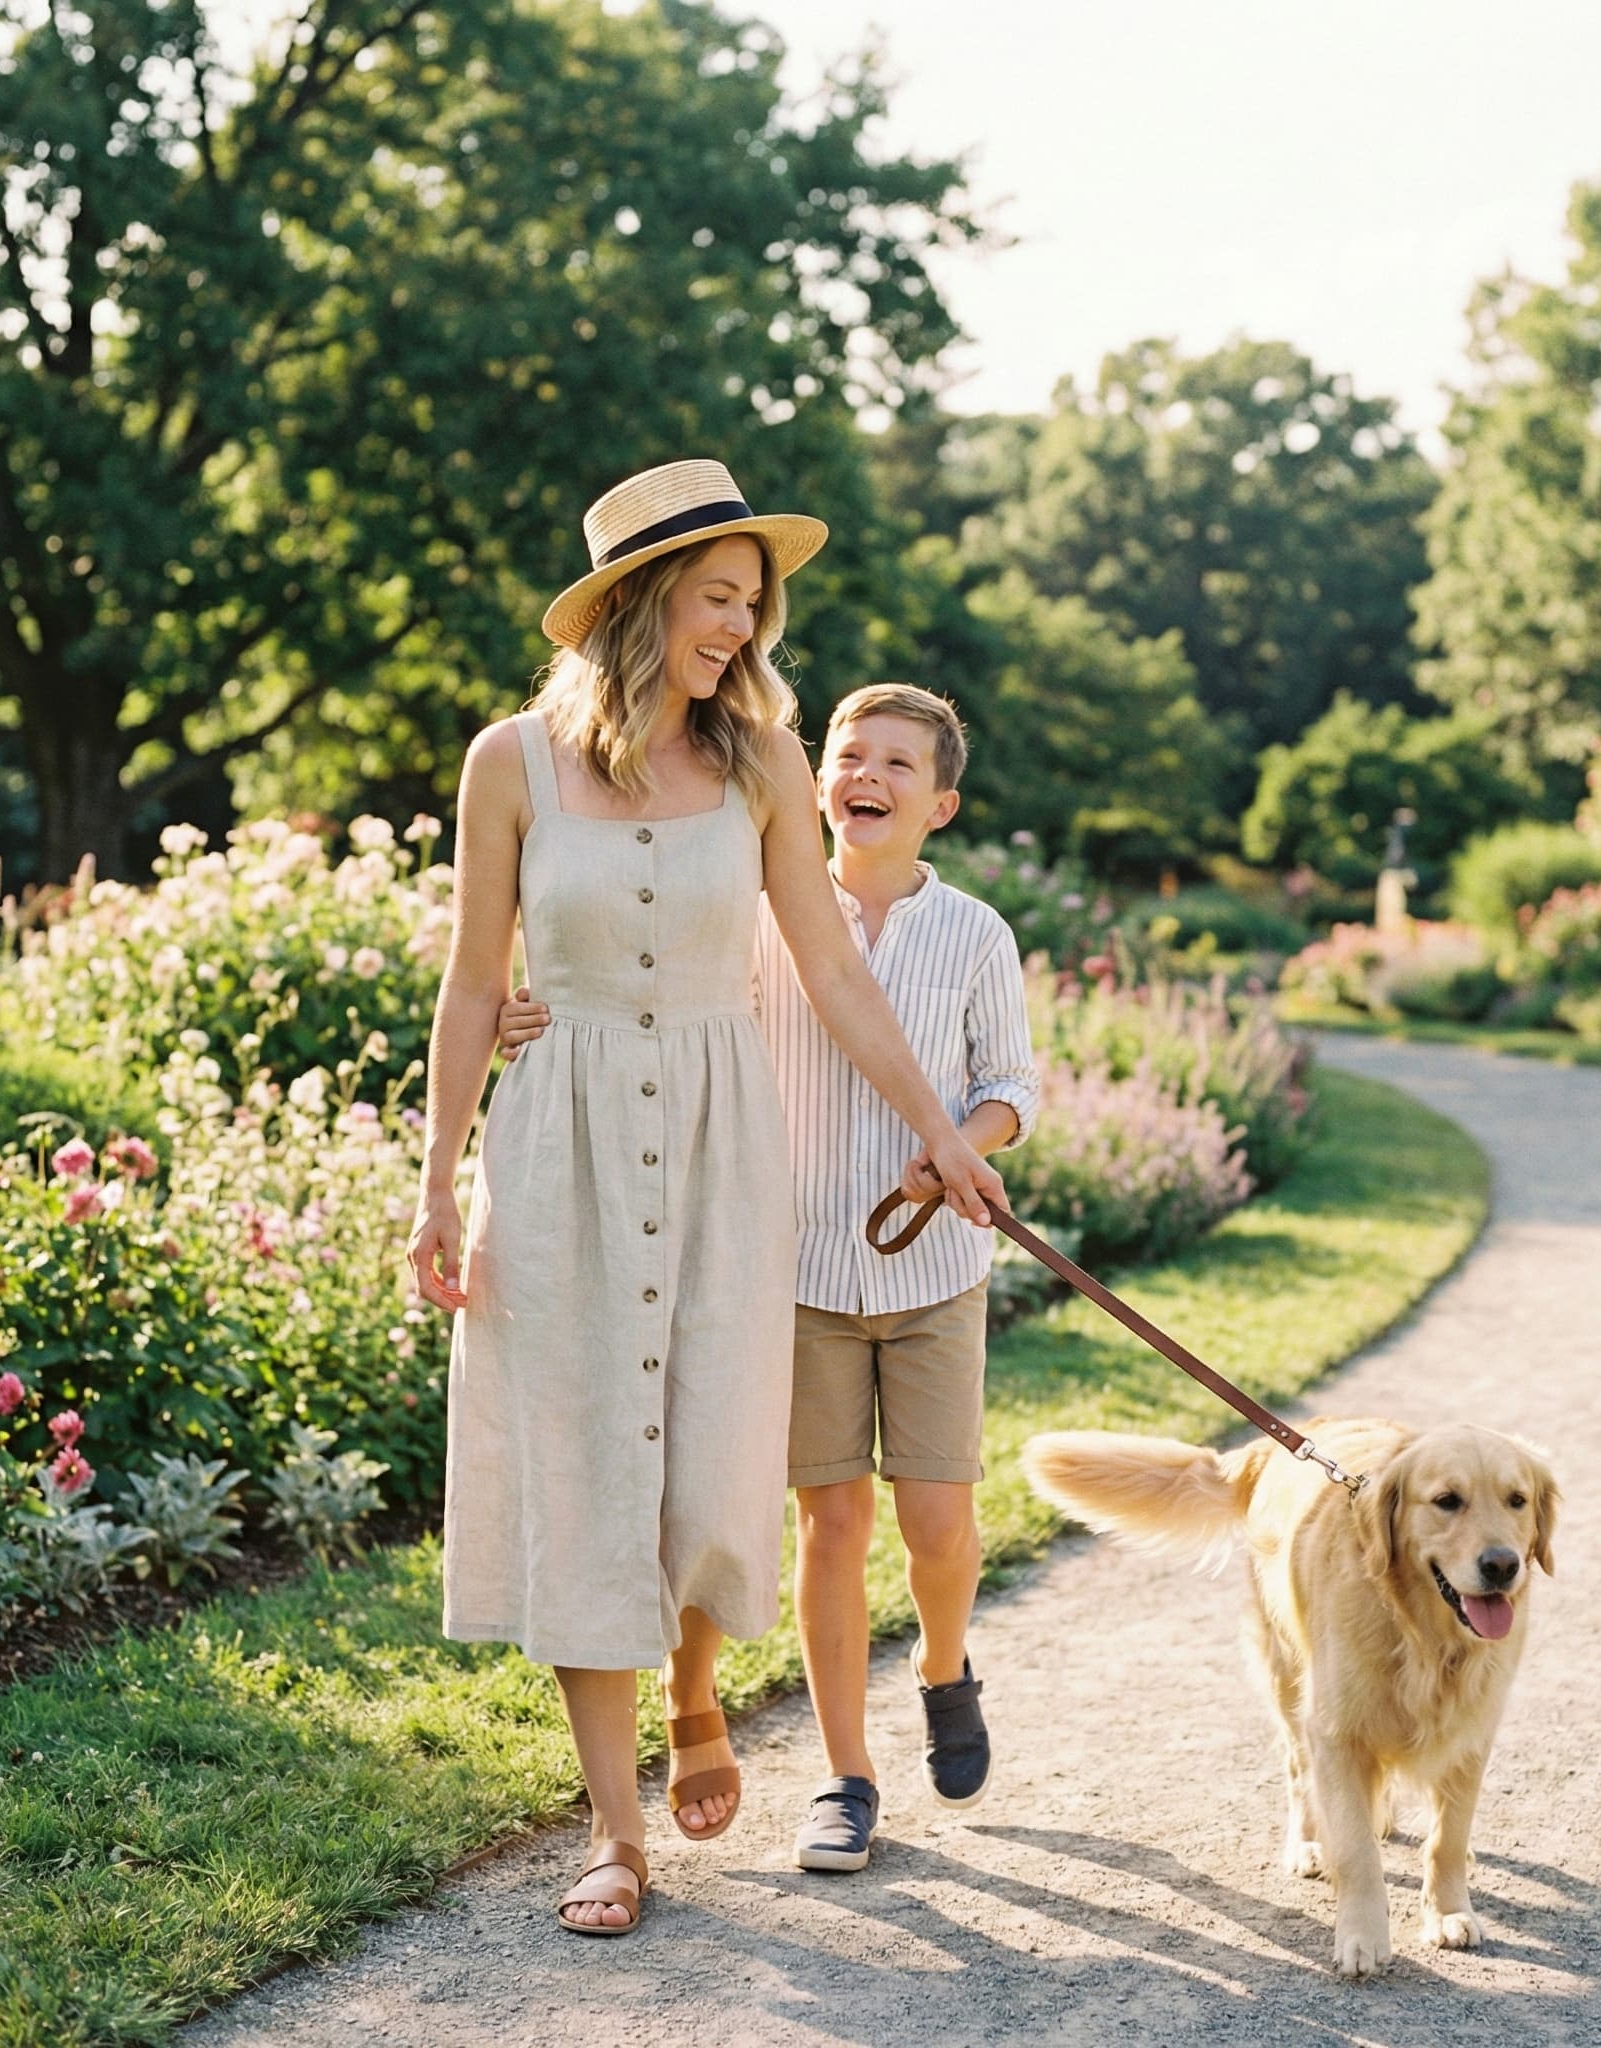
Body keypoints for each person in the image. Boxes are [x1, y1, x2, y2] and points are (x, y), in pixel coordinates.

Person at [409, 461, 1006, 1941]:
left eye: (755, 602)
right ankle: (617, 1835)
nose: (742, 628)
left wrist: (944, 1132)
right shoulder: (512, 764)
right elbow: (476, 983)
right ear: (637, 604)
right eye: (718, 598)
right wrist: (434, 1186)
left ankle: (694, 1700)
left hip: (729, 1145)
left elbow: (836, 969)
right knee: (585, 1461)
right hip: (560, 1147)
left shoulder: (759, 767)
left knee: (699, 1453)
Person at [500, 683, 1037, 1877]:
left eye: (899, 762)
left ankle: (945, 1663)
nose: (868, 774)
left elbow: (1011, 1082)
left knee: (938, 1519)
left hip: (932, 1263)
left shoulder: (975, 935)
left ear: (938, 802)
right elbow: (666, 1011)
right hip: (790, 1261)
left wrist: (966, 1142)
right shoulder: (749, 919)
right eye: (849, 752)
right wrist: (533, 1004)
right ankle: (846, 1778)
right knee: (830, 1519)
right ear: (811, 779)